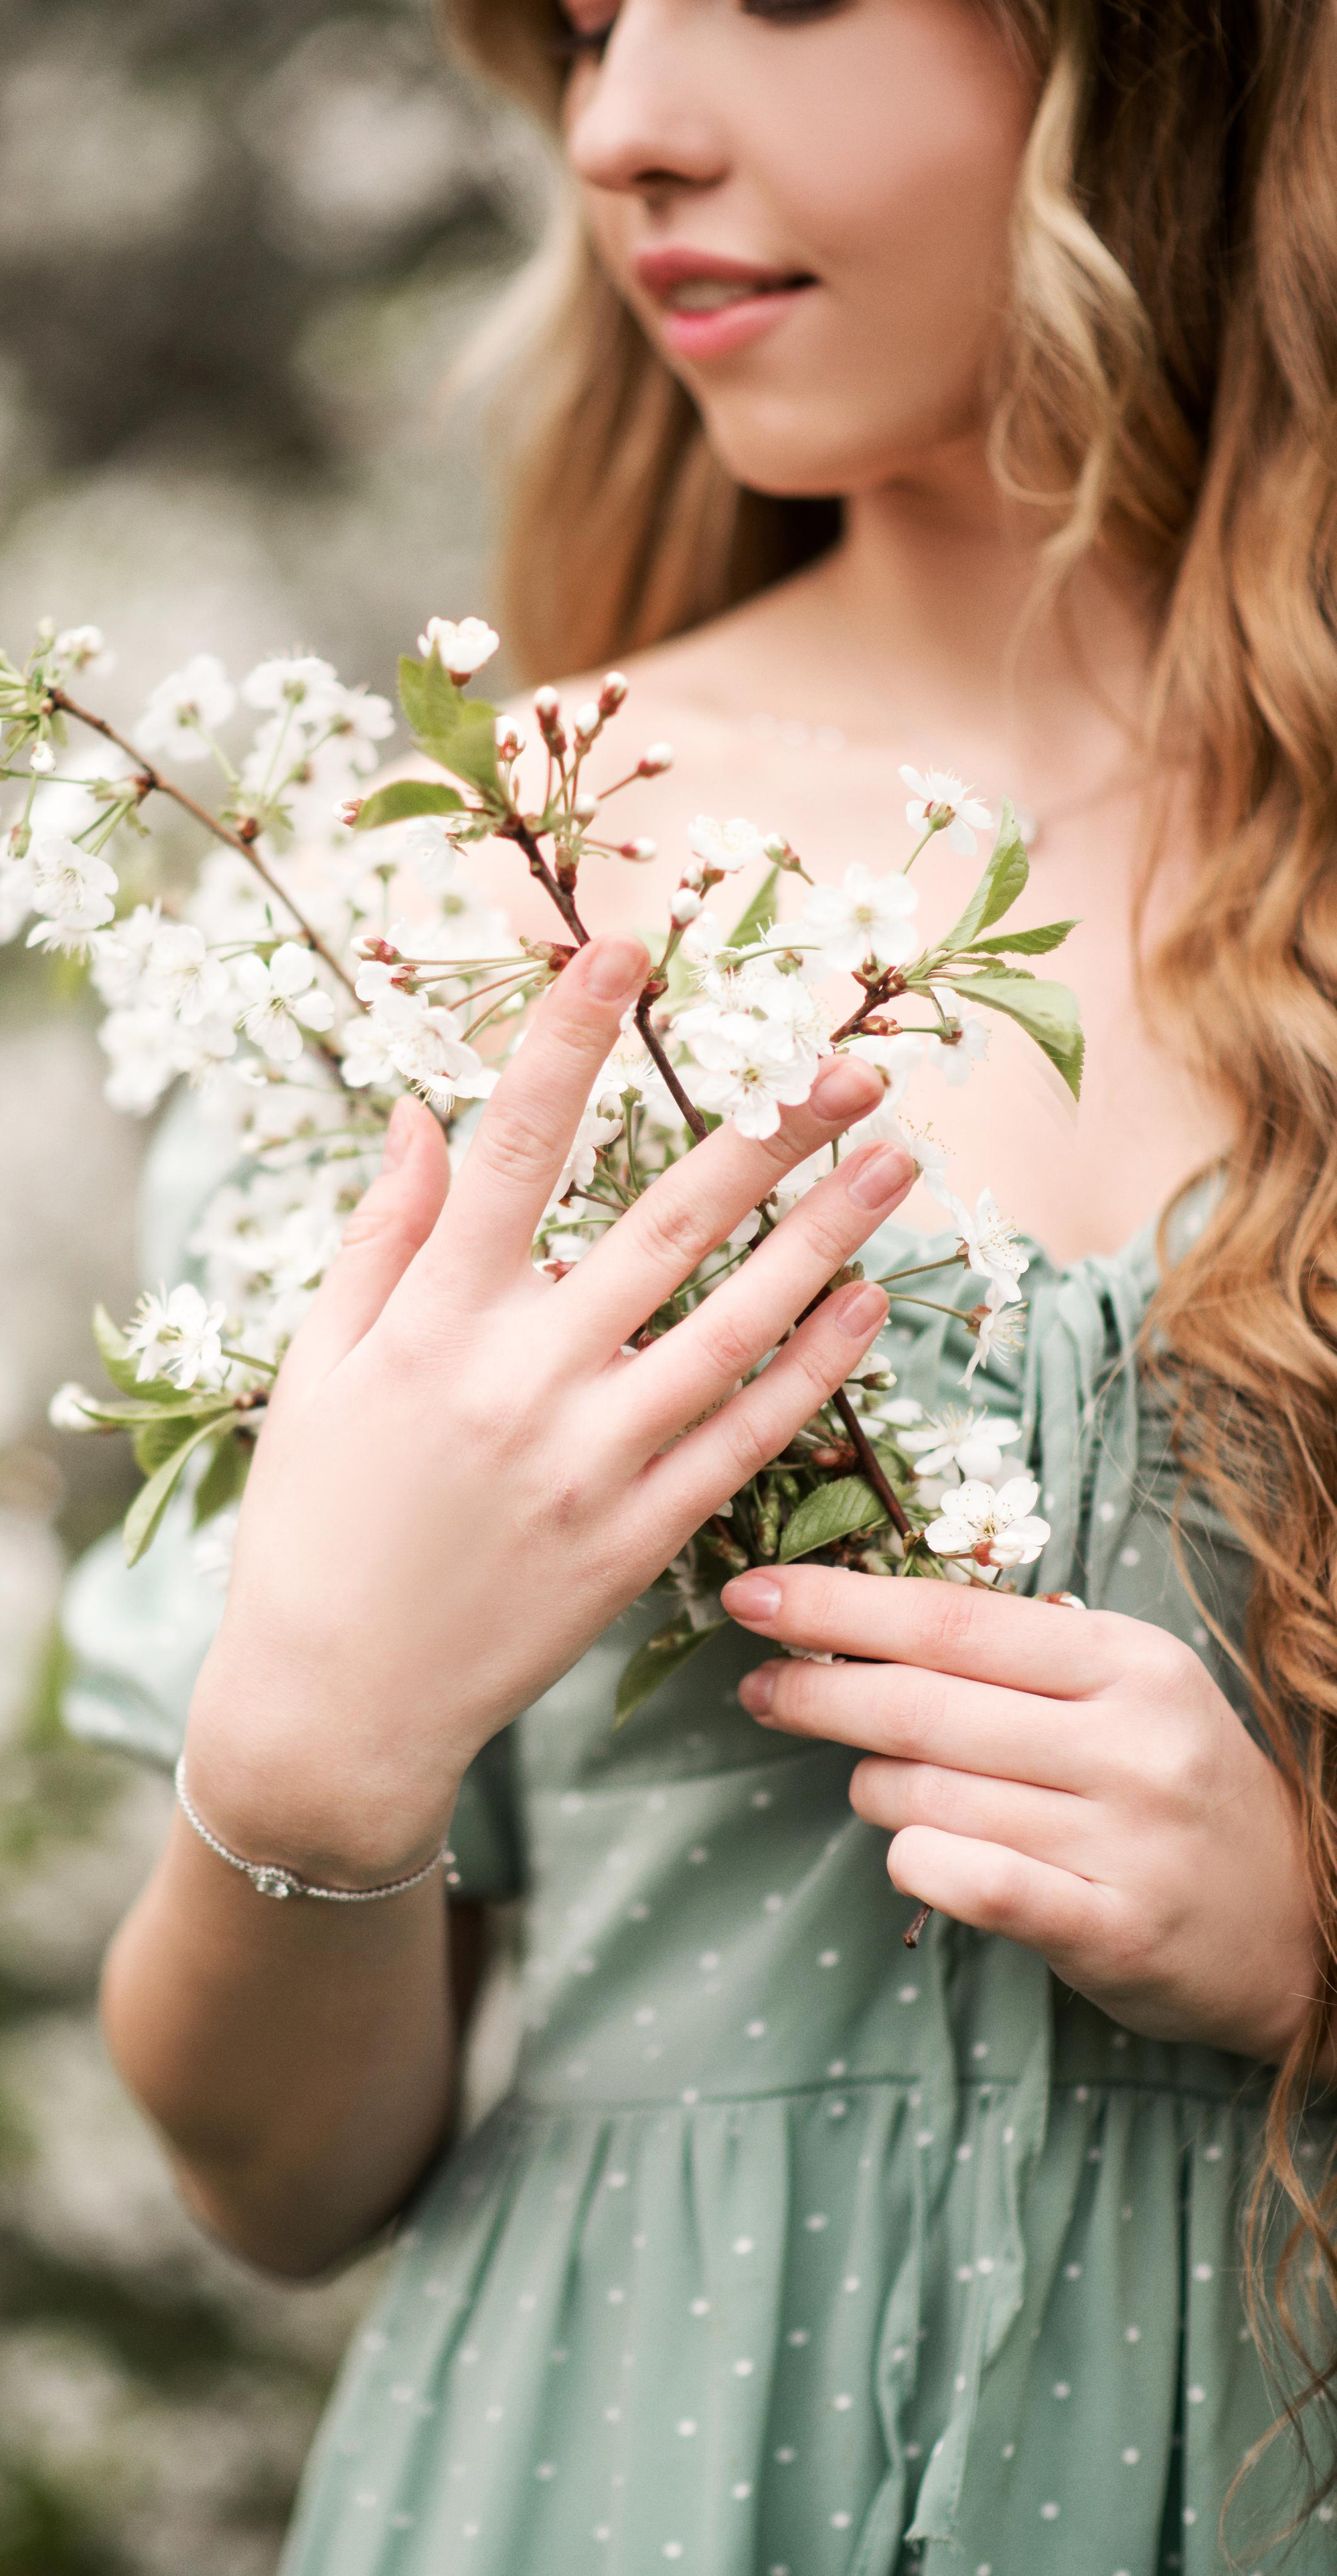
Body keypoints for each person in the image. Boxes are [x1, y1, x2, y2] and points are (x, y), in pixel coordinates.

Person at [67, 2, 1337, 2567]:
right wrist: (313, 1761)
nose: (622, 118)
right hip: (609, 2470)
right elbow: (279, 2176)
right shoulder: (458, 897)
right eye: (582, 18)